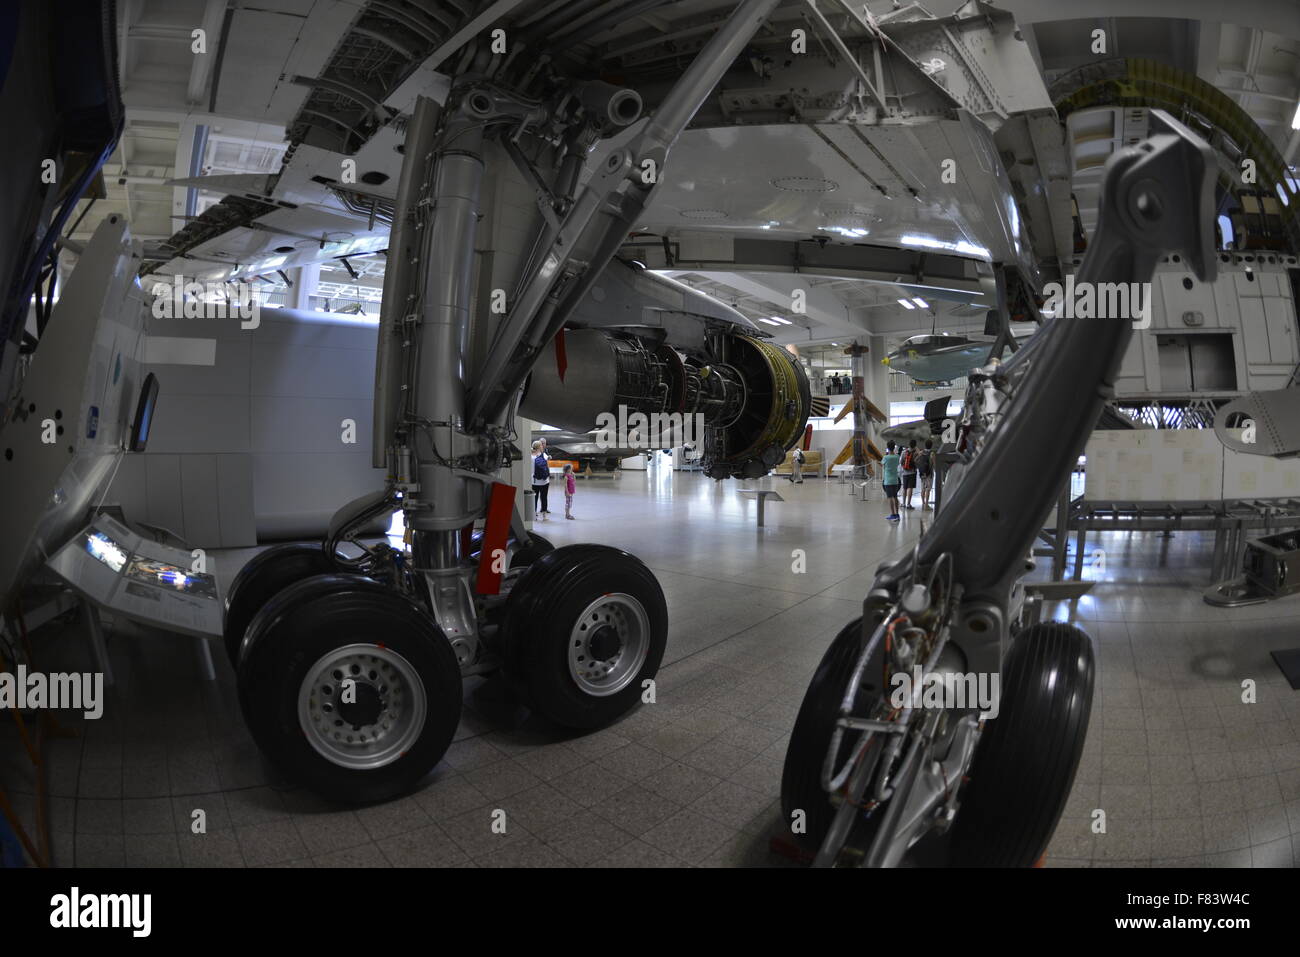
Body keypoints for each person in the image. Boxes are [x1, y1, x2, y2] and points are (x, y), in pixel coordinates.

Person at [881, 442, 901, 522]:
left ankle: (893, 514)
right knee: (895, 497)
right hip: (895, 480)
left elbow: (883, 465)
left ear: (887, 447)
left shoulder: (885, 457)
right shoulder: (897, 456)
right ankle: (897, 514)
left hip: (888, 481)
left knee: (890, 498)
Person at [531, 440, 550, 519]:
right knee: (544, 498)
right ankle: (544, 516)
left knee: (534, 498)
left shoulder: (530, 456)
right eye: (541, 445)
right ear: (539, 447)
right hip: (544, 481)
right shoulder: (544, 455)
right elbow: (547, 468)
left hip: (534, 481)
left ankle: (534, 515)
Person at [900, 439, 918, 510]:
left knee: (904, 488)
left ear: (908, 444)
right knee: (910, 488)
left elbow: (901, 462)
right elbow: (917, 462)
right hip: (912, 472)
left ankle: (903, 503)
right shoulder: (916, 453)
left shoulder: (904, 452)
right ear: (915, 445)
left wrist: (904, 468)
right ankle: (908, 504)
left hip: (905, 472)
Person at [918, 439, 935, 510]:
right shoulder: (932, 453)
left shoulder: (921, 452)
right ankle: (926, 505)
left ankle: (923, 503)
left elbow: (917, 460)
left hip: (922, 473)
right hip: (929, 473)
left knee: (922, 488)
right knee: (928, 489)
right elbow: (934, 463)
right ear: (931, 445)